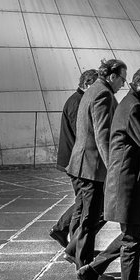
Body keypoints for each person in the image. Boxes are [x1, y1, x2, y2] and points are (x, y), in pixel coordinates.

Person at [76, 64, 140, 280]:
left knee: (135, 233)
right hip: (127, 184)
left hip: (129, 183)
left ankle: (94, 271)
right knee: (133, 238)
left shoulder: (131, 103)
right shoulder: (135, 106)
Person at [64, 58, 128, 270]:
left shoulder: (93, 90)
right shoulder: (103, 94)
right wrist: (113, 168)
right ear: (112, 76)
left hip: (83, 164)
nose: (123, 85)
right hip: (91, 166)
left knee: (89, 215)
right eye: (122, 79)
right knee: (91, 218)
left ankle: (73, 250)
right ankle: (85, 266)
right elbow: (102, 135)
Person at [49, 68, 98, 249]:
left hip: (75, 160)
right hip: (77, 162)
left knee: (84, 201)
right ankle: (76, 247)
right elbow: (85, 134)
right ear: (87, 84)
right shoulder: (78, 103)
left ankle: (63, 231)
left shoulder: (78, 100)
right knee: (85, 203)